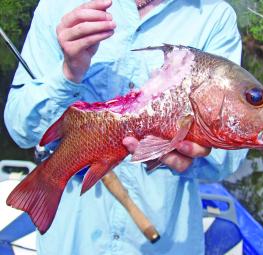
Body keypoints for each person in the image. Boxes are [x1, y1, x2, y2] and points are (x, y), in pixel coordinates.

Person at [4, 0, 248, 254]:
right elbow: (21, 129)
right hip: (73, 239)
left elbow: (227, 161)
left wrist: (191, 155)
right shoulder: (58, 5)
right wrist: (68, 72)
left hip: (165, 241)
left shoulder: (214, 16)